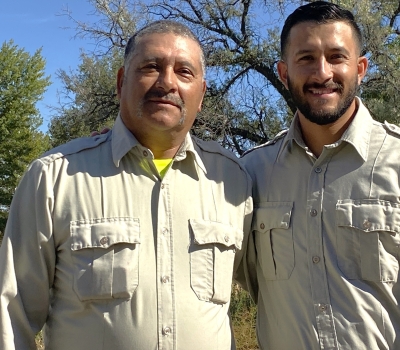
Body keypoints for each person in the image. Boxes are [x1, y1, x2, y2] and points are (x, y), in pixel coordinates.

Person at [0, 20, 253, 350]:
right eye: (151, 67)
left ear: (202, 94)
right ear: (121, 83)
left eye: (184, 72)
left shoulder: (233, 180)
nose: (167, 82)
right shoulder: (54, 178)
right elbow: (11, 315)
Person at [241, 2, 400, 349]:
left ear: (361, 68)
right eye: (305, 58)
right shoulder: (252, 174)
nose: (322, 73)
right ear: (283, 71)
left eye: (337, 57)